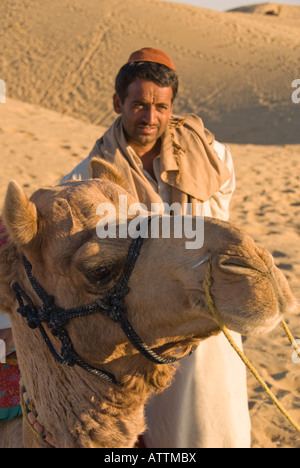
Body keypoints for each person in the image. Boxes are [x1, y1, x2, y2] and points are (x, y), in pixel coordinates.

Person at [61, 47, 251, 448]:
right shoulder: (88, 175)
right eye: (140, 105)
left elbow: (220, 212)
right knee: (160, 429)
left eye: (161, 107)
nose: (151, 117)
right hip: (145, 319)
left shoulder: (211, 156)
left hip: (208, 305)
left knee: (216, 418)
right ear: (119, 103)